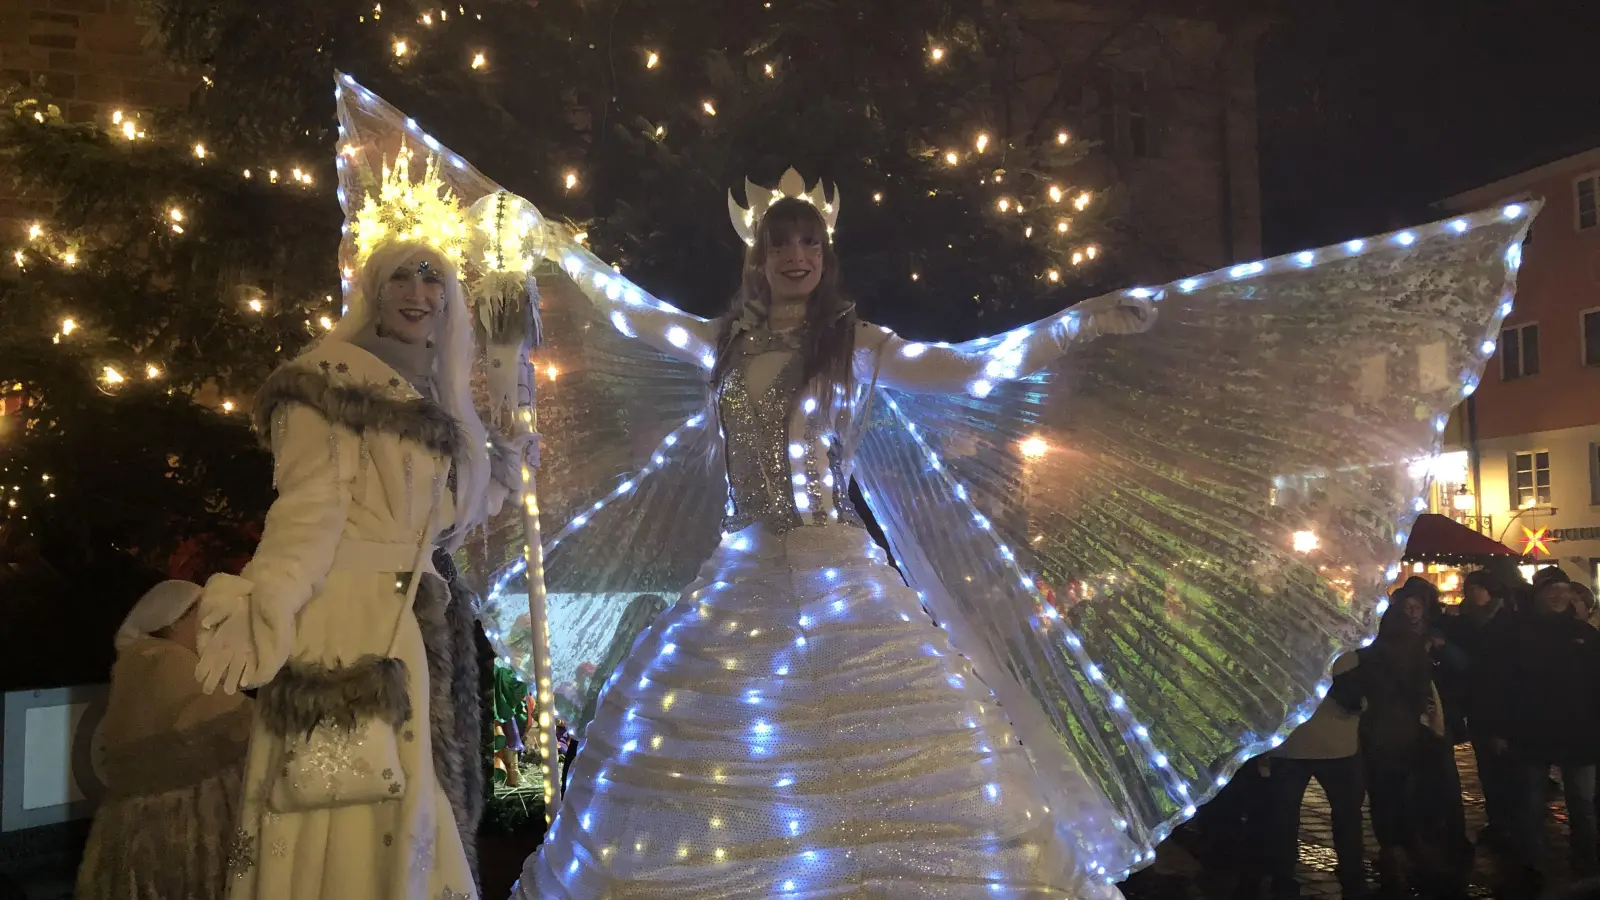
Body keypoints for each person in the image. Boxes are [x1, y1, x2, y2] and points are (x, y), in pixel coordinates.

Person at [192, 188, 536, 897]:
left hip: (409, 619)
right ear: (373, 292)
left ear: (450, 300)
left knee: (412, 804)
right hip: (347, 625)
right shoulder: (329, 382)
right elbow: (306, 514)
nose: (417, 293)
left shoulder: (428, 397)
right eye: (401, 278)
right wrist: (269, 603)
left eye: (432, 277)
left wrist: (498, 473)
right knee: (348, 802)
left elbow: (430, 518)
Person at [76, 580, 253, 900]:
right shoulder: (165, 660)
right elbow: (241, 723)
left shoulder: (138, 659)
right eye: (204, 615)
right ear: (174, 619)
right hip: (177, 825)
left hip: (139, 823)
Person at [1481, 575, 1600, 890]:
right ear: (1539, 594)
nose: (1559, 596)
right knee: (1530, 804)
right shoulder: (1516, 633)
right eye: (1553, 590)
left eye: (1565, 591)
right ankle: (1531, 865)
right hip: (1531, 731)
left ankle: (1587, 864)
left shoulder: (1585, 634)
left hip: (1580, 732)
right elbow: (1499, 683)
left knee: (1582, 804)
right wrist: (1500, 728)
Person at [1262, 653, 1366, 900]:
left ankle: (1283, 879)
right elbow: (1355, 701)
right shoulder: (1344, 654)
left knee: (1284, 819)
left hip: (1289, 745)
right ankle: (1353, 878)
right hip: (1338, 747)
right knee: (1347, 816)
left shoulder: (1278, 651)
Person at [1439, 569, 1514, 850]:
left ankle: (1512, 823)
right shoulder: (1463, 621)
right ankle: (1498, 820)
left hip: (1505, 702)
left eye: (1479, 588)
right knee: (1488, 767)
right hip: (1478, 704)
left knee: (1508, 767)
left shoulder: (1507, 621)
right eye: (1470, 589)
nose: (1473, 594)